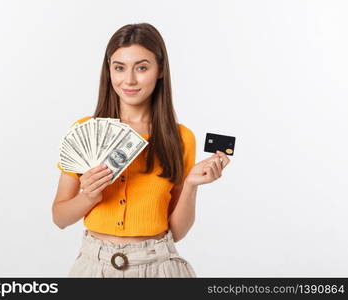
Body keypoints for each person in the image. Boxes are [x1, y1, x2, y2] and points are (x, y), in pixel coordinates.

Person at [52, 23, 231, 278]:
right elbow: (59, 217)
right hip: (94, 267)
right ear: (109, 70)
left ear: (159, 70)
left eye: (142, 67)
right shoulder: (84, 130)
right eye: (119, 68)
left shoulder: (180, 138)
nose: (129, 80)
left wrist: (191, 185)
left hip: (159, 267)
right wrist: (88, 196)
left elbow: (177, 232)